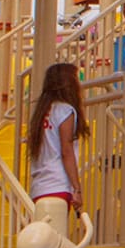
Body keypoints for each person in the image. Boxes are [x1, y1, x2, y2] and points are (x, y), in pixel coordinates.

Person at [24, 62, 85, 225]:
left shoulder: (41, 112)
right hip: (58, 183)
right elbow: (66, 151)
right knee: (56, 240)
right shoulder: (65, 111)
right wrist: (76, 189)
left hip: (39, 185)